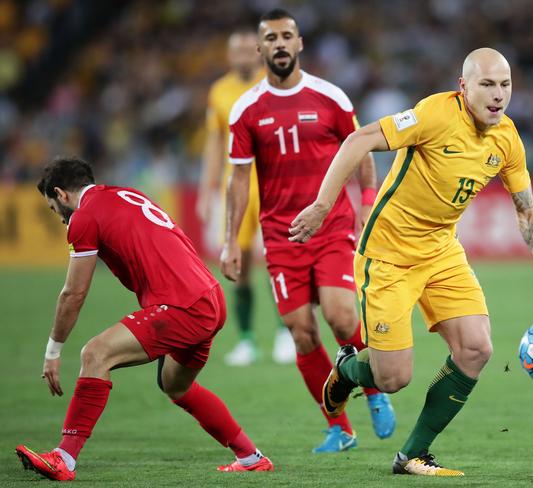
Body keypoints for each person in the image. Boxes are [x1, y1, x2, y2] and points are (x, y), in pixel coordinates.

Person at [290, 48, 533, 475]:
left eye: (505, 84)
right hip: (388, 256)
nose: (499, 95)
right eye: (487, 84)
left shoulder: (507, 138)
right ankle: (348, 370)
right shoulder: (434, 115)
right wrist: (321, 205)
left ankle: (412, 455)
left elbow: (527, 210)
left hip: (442, 252)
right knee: (392, 379)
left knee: (476, 348)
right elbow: (359, 139)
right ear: (464, 87)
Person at [16, 157, 274, 481]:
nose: (59, 218)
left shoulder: (85, 216)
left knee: (95, 354)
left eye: (54, 209)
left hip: (183, 305)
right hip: (209, 296)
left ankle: (64, 458)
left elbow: (73, 294)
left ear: (61, 194)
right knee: (176, 385)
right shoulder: (126, 195)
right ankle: (251, 456)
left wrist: (53, 352)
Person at [220, 8, 396, 453]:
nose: (279, 44)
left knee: (340, 315)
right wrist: (230, 242)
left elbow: (362, 149)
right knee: (301, 331)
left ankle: (374, 393)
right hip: (281, 236)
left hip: (333, 225)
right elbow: (239, 179)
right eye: (271, 38)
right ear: (260, 49)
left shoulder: (330, 97)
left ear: (299, 44)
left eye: (286, 36)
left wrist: (367, 202)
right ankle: (339, 426)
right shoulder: (245, 110)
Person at [197, 29, 295, 366]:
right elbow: (213, 144)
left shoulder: (274, 85)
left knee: (275, 260)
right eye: (234, 51)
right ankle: (246, 340)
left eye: (245, 50)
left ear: (257, 52)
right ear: (229, 56)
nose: (241, 56)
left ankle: (285, 333)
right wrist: (206, 191)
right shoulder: (219, 92)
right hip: (236, 185)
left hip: (271, 183)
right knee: (237, 264)